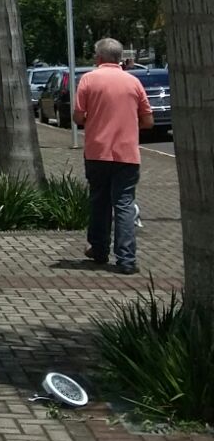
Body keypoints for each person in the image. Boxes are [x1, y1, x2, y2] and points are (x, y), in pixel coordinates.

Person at [73, 38, 152, 275]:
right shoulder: (133, 82)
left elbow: (78, 117)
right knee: (124, 204)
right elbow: (148, 120)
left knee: (99, 201)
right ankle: (126, 259)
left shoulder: (88, 79)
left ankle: (99, 250)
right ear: (119, 58)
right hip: (127, 153)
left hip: (97, 152)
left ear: (98, 57)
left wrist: (95, 120)